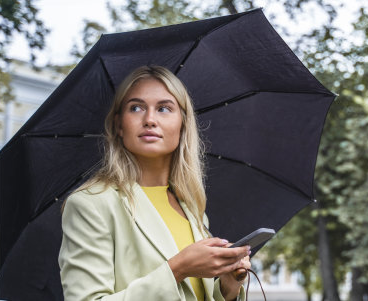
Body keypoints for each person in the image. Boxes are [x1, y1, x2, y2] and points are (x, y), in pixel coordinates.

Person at [59, 65, 251, 301]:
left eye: (164, 108)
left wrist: (227, 288)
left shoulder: (191, 208)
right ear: (119, 125)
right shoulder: (91, 205)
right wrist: (178, 269)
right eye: (136, 108)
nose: (149, 119)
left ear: (182, 125)